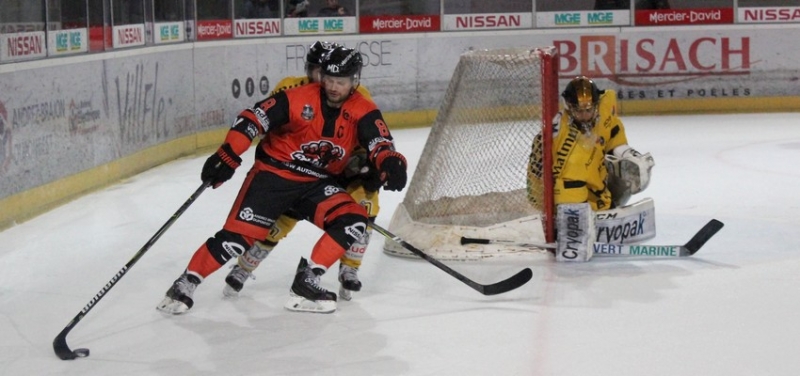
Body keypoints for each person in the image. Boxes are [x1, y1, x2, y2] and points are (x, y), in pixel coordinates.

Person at [157, 46, 408, 314]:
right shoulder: (298, 98)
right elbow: (251, 119)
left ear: (354, 81)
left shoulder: (363, 108)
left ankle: (307, 279)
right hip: (274, 176)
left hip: (317, 183)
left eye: (341, 82)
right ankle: (185, 283)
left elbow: (379, 143)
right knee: (237, 239)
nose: (334, 87)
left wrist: (390, 162)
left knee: (355, 219)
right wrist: (227, 154)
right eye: (329, 80)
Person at [222, 41, 379, 302]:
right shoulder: (290, 88)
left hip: (341, 165)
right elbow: (273, 130)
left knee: (366, 204)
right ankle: (244, 266)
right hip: (300, 167)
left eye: (327, 72)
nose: (324, 79)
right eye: (316, 70)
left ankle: (350, 268)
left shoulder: (358, 93)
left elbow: (369, 134)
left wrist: (367, 165)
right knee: (279, 217)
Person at [528, 76, 655, 262]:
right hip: (565, 193)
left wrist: (630, 156)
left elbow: (615, 141)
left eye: (589, 110)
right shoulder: (558, 131)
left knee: (628, 170)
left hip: (596, 185)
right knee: (571, 187)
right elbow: (536, 170)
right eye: (578, 111)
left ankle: (602, 216)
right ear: (569, 107)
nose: (585, 115)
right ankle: (570, 224)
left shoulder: (604, 115)